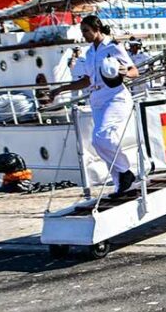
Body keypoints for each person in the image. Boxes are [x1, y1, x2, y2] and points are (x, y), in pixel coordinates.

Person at [49, 15, 139, 196]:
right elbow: (87, 81)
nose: (84, 35)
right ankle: (121, 184)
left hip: (115, 97)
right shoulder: (89, 53)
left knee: (102, 138)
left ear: (97, 29)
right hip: (96, 99)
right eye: (82, 32)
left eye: (86, 31)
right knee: (98, 144)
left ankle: (126, 172)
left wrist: (124, 72)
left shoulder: (113, 46)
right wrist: (61, 89)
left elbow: (134, 71)